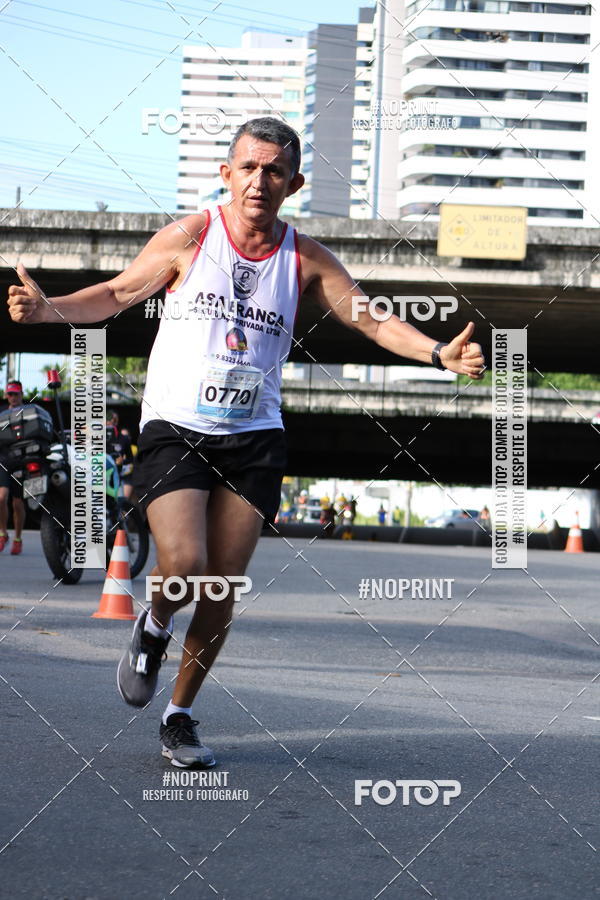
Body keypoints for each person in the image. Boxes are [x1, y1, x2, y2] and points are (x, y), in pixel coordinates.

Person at [7, 116, 485, 768]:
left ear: (293, 183)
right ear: (226, 174)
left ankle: (179, 716)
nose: (260, 181)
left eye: (275, 171)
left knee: (222, 584)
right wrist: (48, 310)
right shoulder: (191, 236)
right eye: (249, 168)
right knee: (182, 562)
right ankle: (152, 625)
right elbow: (118, 293)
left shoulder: (305, 258)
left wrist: (437, 352)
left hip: (254, 436)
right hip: (177, 428)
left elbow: (372, 320)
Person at [0, 380, 26, 555]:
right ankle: (3, 534)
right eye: (10, 394)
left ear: (21, 394)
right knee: (1, 498)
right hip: (3, 459)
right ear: (6, 395)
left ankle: (17, 538)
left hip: (22, 460)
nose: (13, 397)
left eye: (16, 394)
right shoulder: (1, 413)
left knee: (17, 503)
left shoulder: (30, 412)